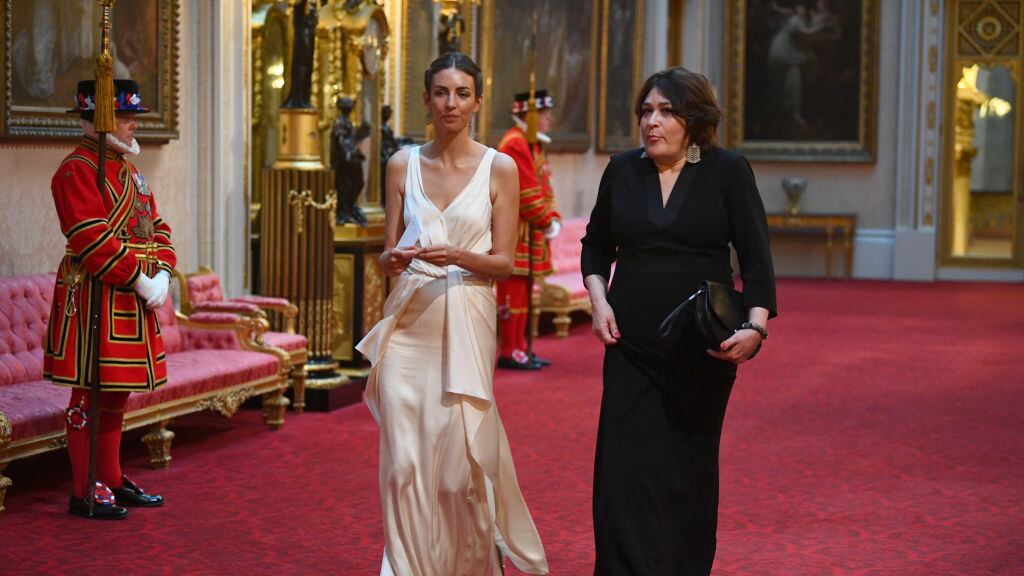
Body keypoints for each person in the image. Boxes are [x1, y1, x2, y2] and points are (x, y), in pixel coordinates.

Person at [355, 52, 548, 576]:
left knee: (454, 471)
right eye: (441, 92)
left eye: (462, 93)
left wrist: (458, 256)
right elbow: (386, 256)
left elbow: (505, 264)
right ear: (426, 99)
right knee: (402, 466)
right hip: (408, 325)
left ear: (478, 102)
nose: (451, 103)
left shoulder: (500, 167)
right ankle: (406, 567)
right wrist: (391, 259)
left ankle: (471, 562)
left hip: (466, 317)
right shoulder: (402, 164)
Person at [582, 67, 777, 575]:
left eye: (666, 111)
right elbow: (596, 247)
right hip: (629, 348)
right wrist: (598, 300)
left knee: (684, 475)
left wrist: (755, 328)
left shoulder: (728, 171)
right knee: (622, 477)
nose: (653, 121)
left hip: (701, 352)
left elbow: (755, 258)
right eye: (646, 111)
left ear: (693, 118)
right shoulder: (622, 170)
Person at [44, 79, 175, 520]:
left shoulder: (131, 172)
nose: (134, 123)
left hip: (130, 298)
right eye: (125, 115)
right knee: (88, 393)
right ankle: (84, 490)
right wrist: (139, 278)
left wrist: (163, 274)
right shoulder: (76, 170)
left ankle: (113, 478)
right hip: (94, 294)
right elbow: (90, 239)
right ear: (99, 119)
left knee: (117, 393)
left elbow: (159, 227)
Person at [495, 90, 562, 370]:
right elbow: (525, 192)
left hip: (530, 231)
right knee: (513, 293)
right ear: (531, 116)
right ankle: (510, 350)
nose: (549, 119)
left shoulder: (533, 144)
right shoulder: (515, 144)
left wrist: (553, 215)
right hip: (516, 231)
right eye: (544, 115)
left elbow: (545, 187)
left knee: (525, 290)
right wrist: (546, 221)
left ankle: (521, 347)